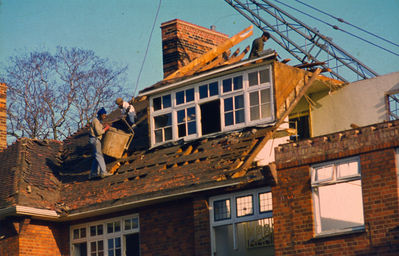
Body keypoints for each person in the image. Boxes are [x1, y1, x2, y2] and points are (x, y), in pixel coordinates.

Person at [88, 107, 112, 179]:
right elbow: (99, 132)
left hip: (94, 140)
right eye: (104, 115)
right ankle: (103, 172)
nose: (105, 117)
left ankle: (93, 173)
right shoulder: (96, 121)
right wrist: (106, 128)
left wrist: (103, 126)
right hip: (95, 140)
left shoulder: (98, 121)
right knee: (100, 156)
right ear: (101, 114)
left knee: (96, 156)